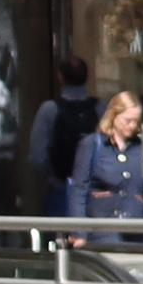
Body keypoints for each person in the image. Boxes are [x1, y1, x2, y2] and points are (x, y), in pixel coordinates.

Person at [69, 91, 143, 236]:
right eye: (127, 120)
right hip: (101, 231)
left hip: (137, 232)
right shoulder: (93, 144)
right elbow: (79, 190)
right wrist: (78, 232)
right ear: (113, 115)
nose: (132, 126)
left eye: (136, 121)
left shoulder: (142, 147)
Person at [28, 55, 99, 217]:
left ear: (61, 77)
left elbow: (37, 155)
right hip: (94, 190)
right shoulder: (99, 108)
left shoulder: (49, 109)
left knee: (60, 239)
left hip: (62, 188)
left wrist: (53, 181)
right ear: (87, 77)